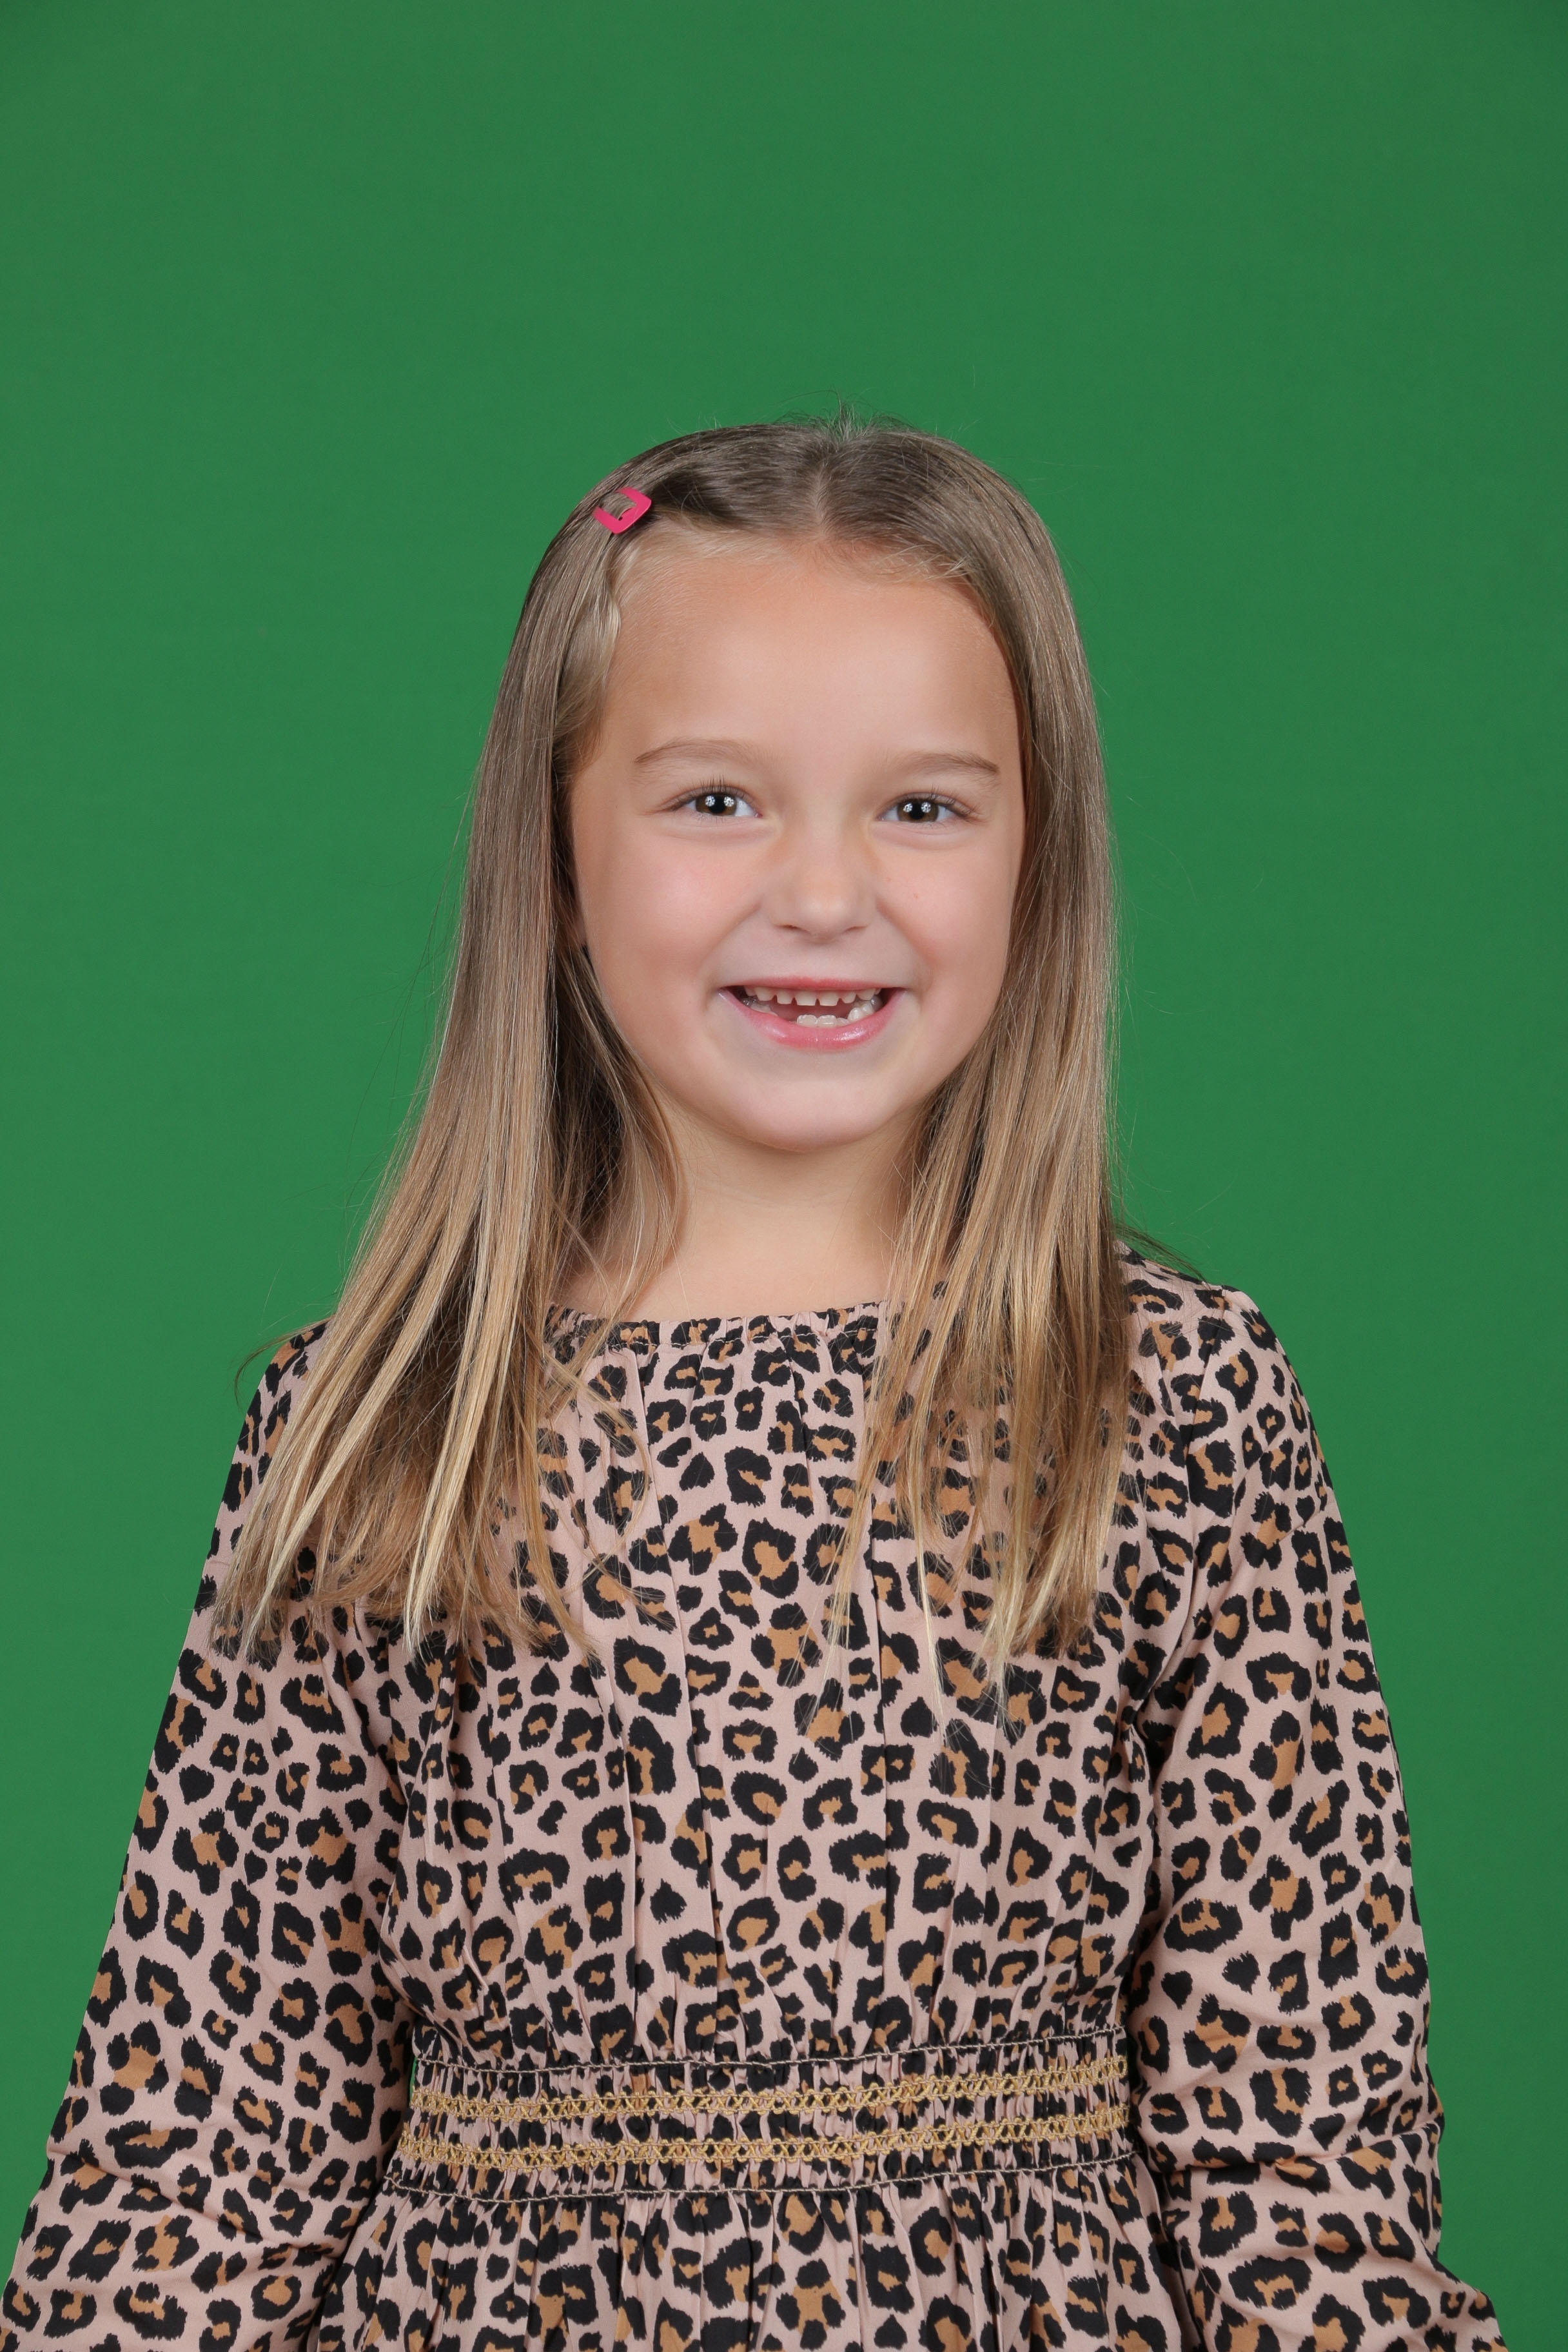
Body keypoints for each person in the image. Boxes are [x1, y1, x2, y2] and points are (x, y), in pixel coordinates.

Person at [1, 418, 1505, 2352]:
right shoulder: (384, 1418)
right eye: (717, 800)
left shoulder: (1169, 1401)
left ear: (1037, 863)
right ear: (557, 859)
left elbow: (1304, 2157)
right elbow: (204, 2148)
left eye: (925, 807)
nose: (822, 891)